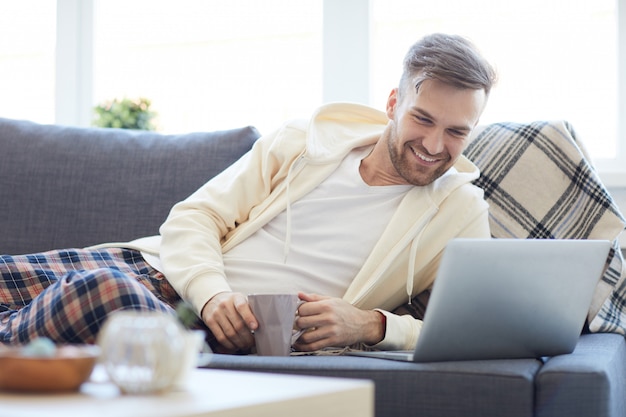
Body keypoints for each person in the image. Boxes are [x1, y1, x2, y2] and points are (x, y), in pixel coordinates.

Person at [0, 33, 496, 353]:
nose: (434, 145)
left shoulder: (459, 209)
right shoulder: (306, 141)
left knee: (100, 292)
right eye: (423, 119)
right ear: (394, 103)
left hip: (210, 334)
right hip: (157, 271)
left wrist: (372, 325)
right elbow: (193, 218)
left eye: (456, 132)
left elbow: (476, 327)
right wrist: (214, 293)